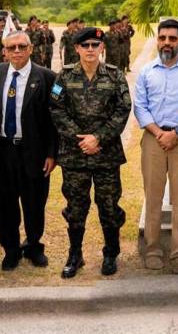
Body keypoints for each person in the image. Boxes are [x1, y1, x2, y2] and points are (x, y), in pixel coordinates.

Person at [50, 27, 132, 279]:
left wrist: (98, 138)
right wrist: (81, 139)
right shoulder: (63, 77)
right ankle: (75, 254)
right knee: (76, 207)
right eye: (84, 45)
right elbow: (56, 109)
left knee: (108, 206)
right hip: (75, 156)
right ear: (76, 48)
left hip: (106, 154)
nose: (90, 50)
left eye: (95, 45)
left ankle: (110, 253)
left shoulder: (115, 75)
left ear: (102, 48)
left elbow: (123, 109)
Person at [134, 19, 178, 274]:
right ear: (157, 40)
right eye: (162, 38)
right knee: (153, 197)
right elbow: (140, 106)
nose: (167, 43)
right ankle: (152, 249)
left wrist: (175, 132)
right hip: (154, 139)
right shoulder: (146, 71)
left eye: (172, 38)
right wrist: (158, 133)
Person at [0, 30, 57, 270]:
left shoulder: (46, 77)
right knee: (5, 204)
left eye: (21, 46)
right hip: (3, 151)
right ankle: (11, 250)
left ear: (31, 49)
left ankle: (34, 245)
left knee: (34, 203)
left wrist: (51, 153)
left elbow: (54, 120)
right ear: (4, 51)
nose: (17, 51)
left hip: (33, 152)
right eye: (11, 47)